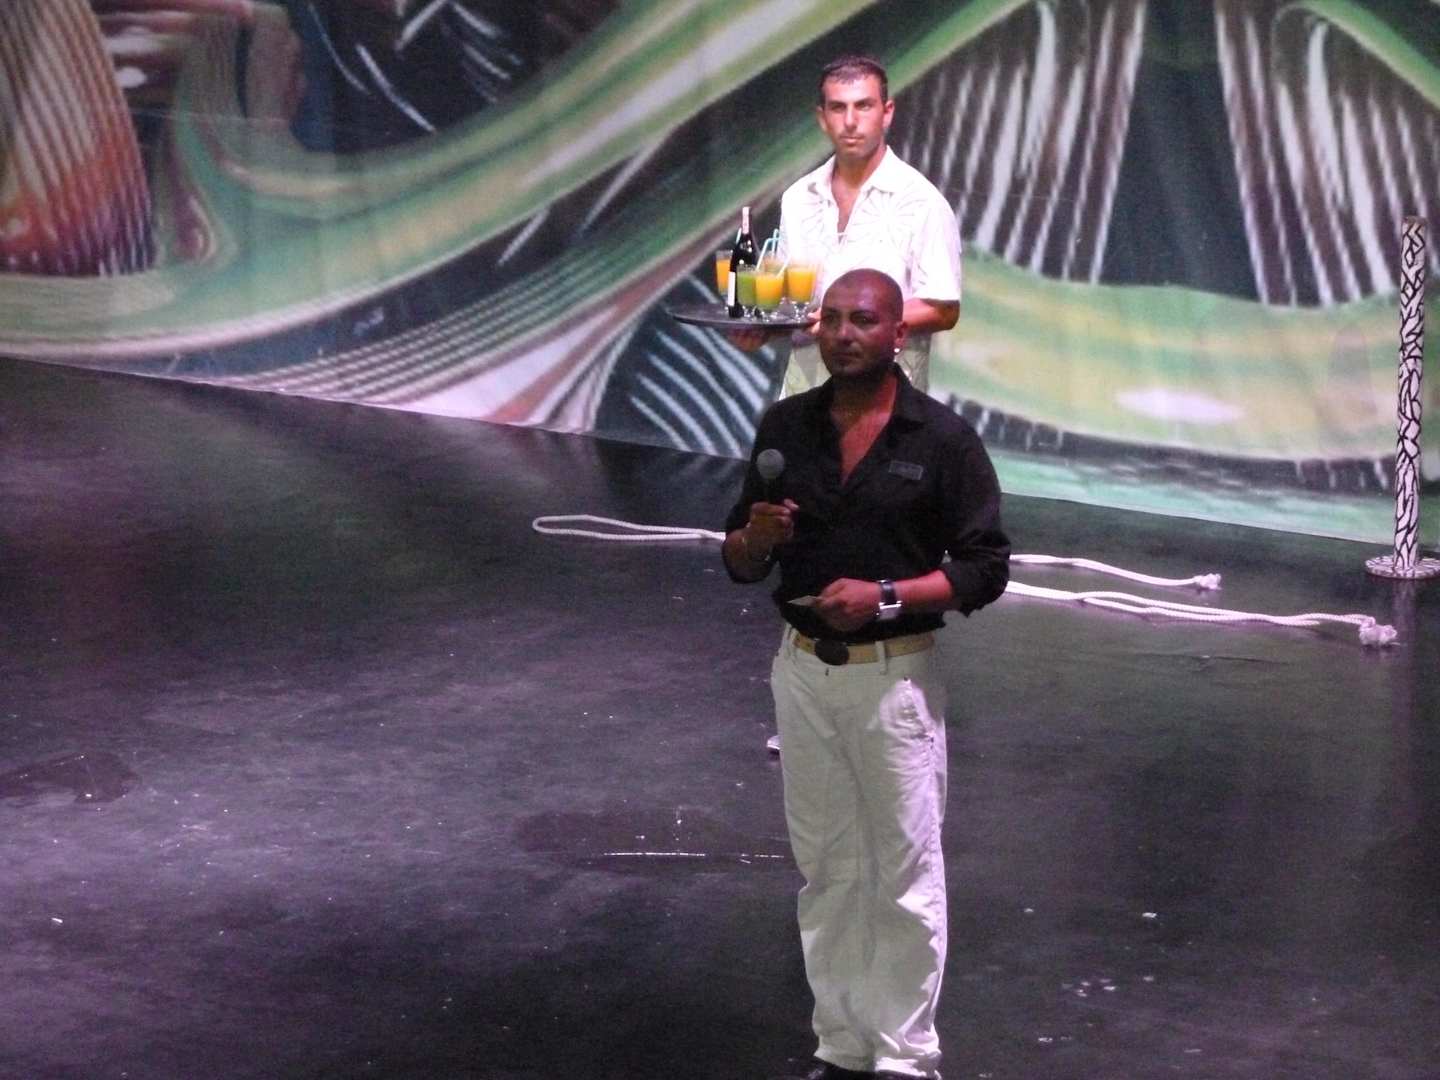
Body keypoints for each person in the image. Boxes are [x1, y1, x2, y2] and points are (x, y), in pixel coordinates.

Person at [722, 269, 1009, 1080]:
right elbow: (738, 559)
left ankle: (906, 1055)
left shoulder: (942, 441)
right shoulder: (786, 428)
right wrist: (758, 538)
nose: (845, 334)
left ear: (898, 335)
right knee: (828, 869)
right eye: (834, 319)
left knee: (905, 875)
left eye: (864, 320)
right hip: (801, 673)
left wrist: (884, 597)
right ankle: (843, 1041)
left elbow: (986, 568)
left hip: (894, 682)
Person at [732, 55, 962, 398]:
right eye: (838, 108)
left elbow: (942, 308)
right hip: (806, 394)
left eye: (863, 106)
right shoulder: (799, 198)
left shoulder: (922, 202)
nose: (850, 121)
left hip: (887, 401)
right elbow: (796, 303)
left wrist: (845, 321)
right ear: (822, 118)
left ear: (887, 112)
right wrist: (762, 329)